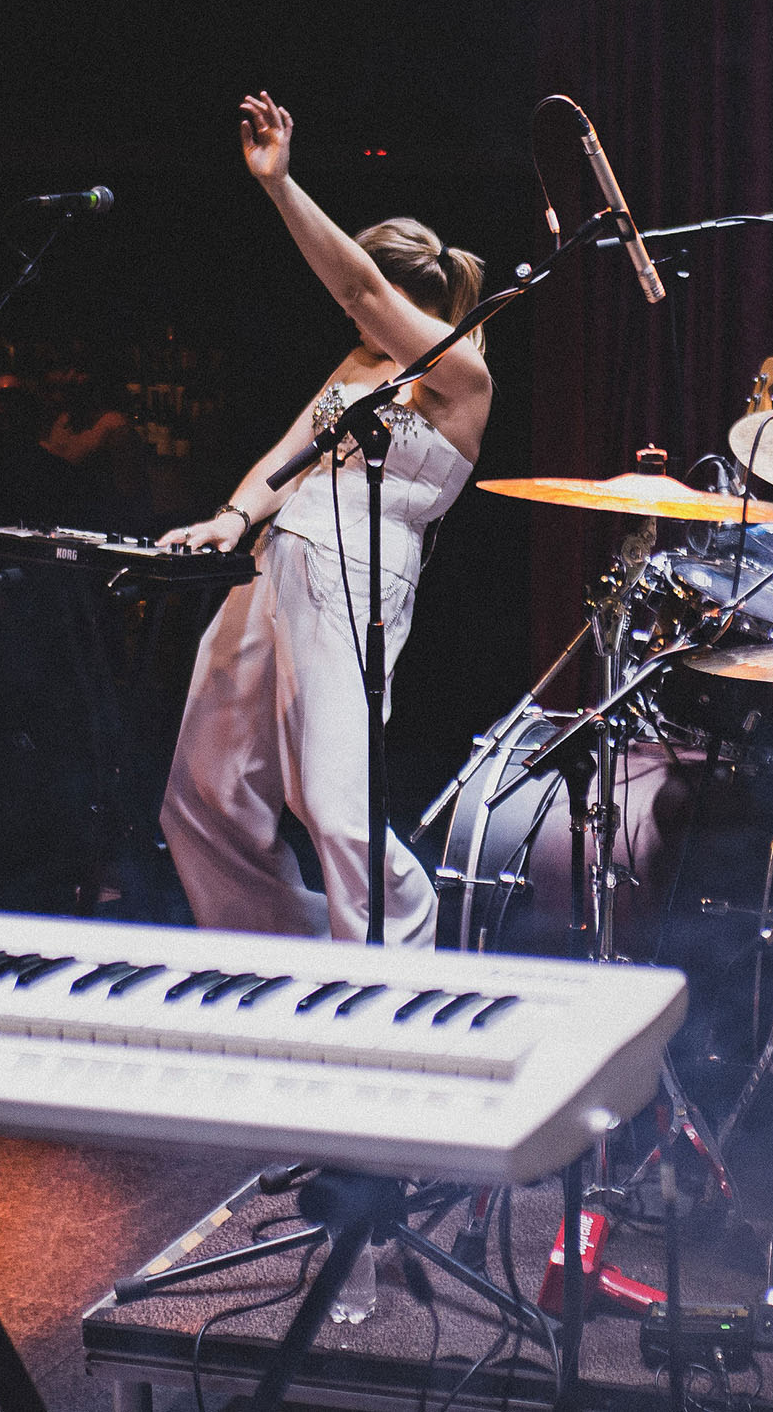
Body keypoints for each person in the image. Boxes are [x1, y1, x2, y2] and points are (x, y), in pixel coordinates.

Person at [157, 93, 491, 945]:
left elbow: (356, 282)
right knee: (205, 792)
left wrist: (279, 184)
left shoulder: (461, 376)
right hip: (276, 560)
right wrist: (234, 516)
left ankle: (401, 947)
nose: (351, 314)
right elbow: (294, 449)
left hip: (353, 576)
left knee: (335, 806)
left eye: (370, 307)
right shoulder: (360, 363)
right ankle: (287, 954)